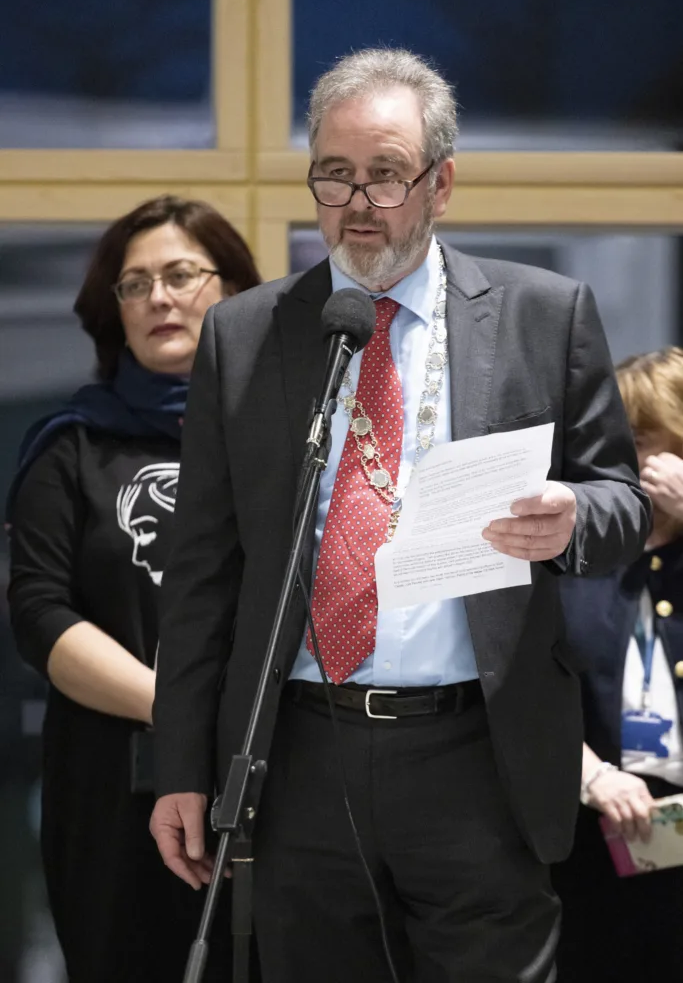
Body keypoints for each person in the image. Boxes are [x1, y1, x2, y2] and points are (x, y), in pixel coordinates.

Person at [150, 49, 650, 983]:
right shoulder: (247, 333)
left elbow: (621, 500)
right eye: (333, 175)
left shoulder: (544, 314)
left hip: (478, 755)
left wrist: (570, 515)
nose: (358, 201)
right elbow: (202, 576)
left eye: (385, 174)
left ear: (441, 183)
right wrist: (181, 764)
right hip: (299, 753)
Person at [6, 195, 260, 983]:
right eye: (134, 283)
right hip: (113, 782)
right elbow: (40, 613)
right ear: (113, 311)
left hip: (276, 772)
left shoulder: (291, 440)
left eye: (181, 274)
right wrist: (180, 709)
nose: (158, 297)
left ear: (232, 291)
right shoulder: (70, 447)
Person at [553, 346, 683, 981]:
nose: (629, 459)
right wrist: (591, 775)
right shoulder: (575, 549)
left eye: (647, 439)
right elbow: (526, 690)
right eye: (619, 439)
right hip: (592, 832)